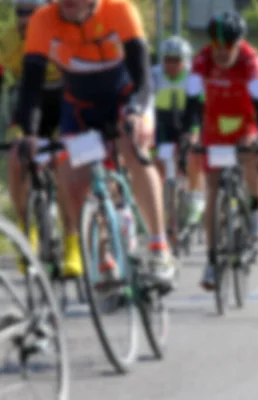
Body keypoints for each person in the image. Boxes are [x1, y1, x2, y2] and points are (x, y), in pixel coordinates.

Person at [13, 0, 176, 290]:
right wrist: (31, 133)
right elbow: (31, 85)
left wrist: (137, 112)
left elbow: (141, 73)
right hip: (81, 108)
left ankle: (159, 246)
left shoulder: (120, 10)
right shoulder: (43, 20)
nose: (69, 3)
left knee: (132, 147)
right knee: (74, 180)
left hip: (127, 97)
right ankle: (105, 256)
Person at [189, 11, 258, 290]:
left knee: (251, 154)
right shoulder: (202, 59)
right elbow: (191, 98)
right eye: (217, 47)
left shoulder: (250, 59)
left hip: (245, 123)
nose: (222, 53)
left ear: (240, 43)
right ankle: (212, 262)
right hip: (214, 126)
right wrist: (191, 134)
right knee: (212, 192)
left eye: (229, 47)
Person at [2, 0, 65, 273]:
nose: (25, 19)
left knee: (64, 159)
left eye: (32, 13)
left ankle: (72, 231)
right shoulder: (7, 40)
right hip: (26, 103)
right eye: (21, 13)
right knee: (17, 160)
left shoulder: (59, 34)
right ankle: (25, 231)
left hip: (62, 100)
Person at [152, 35, 205, 226]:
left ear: (186, 60)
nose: (172, 64)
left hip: (188, 123)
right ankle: (160, 205)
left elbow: (200, 110)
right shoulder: (154, 75)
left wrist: (194, 133)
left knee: (193, 156)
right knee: (156, 163)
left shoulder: (193, 77)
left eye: (177, 60)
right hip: (162, 125)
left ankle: (194, 197)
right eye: (168, 59)